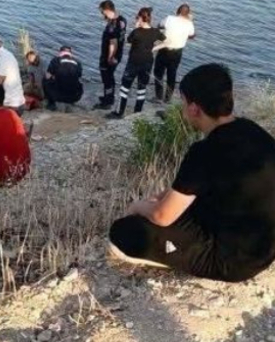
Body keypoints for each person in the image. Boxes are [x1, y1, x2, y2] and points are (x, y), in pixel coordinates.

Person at [109, 64, 275, 282]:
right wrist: (161, 198)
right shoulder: (251, 129)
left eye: (183, 102)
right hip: (264, 246)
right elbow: (193, 185)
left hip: (232, 262)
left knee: (123, 233)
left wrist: (139, 206)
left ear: (194, 108)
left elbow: (162, 216)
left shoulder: (205, 151)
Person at [106, 8, 164, 119]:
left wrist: (137, 26)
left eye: (137, 18)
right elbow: (165, 40)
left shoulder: (136, 32)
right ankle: (137, 113)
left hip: (133, 62)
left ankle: (119, 112)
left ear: (140, 18)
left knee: (125, 87)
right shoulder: (155, 31)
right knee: (141, 88)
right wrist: (154, 48)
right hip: (147, 62)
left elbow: (129, 40)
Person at [153, 4, 196, 103]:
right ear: (188, 13)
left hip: (164, 49)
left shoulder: (169, 18)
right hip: (177, 52)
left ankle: (158, 96)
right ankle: (167, 99)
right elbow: (192, 35)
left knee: (158, 73)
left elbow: (159, 25)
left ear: (177, 11)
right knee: (172, 74)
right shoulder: (189, 24)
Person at [94, 0, 128, 110]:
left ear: (107, 10)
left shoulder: (112, 26)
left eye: (102, 12)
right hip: (119, 55)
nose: (102, 14)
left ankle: (107, 101)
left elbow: (113, 42)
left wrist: (110, 57)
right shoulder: (122, 20)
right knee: (111, 76)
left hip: (109, 56)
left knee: (106, 77)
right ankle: (110, 97)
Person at [44, 46, 84, 111]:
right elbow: (79, 76)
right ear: (71, 53)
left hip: (58, 96)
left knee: (45, 79)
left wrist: (55, 76)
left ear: (60, 52)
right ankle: (71, 102)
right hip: (75, 97)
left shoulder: (55, 60)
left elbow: (47, 76)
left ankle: (51, 103)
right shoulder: (78, 62)